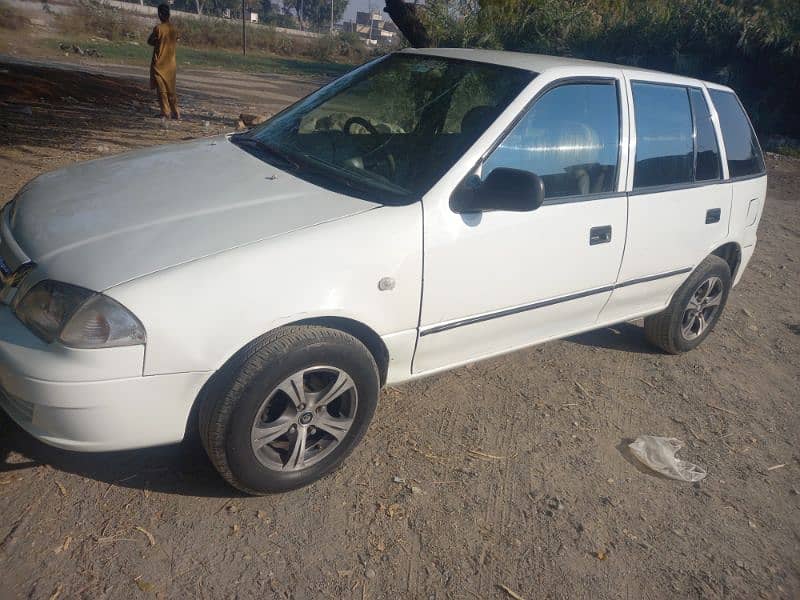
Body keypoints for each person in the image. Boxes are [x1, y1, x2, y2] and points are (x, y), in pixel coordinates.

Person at [148, 4, 180, 122]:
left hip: (159, 64)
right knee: (171, 90)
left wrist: (158, 42)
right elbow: (177, 39)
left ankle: (165, 113)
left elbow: (149, 41)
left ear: (160, 14)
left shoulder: (158, 29)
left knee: (162, 90)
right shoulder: (174, 29)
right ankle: (176, 113)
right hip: (170, 65)